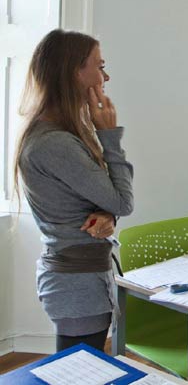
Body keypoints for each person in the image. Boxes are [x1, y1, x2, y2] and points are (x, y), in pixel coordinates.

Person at [15, 29, 134, 352]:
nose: (105, 76)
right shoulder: (55, 143)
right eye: (100, 66)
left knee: (80, 369)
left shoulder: (56, 134)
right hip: (76, 285)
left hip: (80, 280)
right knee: (79, 373)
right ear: (74, 72)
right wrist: (110, 136)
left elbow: (107, 201)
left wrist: (107, 215)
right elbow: (123, 200)